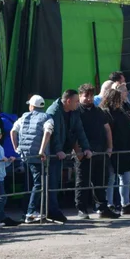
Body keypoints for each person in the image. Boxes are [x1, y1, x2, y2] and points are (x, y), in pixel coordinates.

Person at [42, 90, 88, 224]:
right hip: (53, 153)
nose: (78, 104)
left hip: (62, 151)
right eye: (76, 101)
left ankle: (52, 210)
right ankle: (51, 211)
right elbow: (53, 134)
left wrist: (86, 148)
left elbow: (80, 130)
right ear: (68, 101)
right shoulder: (54, 112)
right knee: (51, 182)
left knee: (54, 182)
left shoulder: (73, 112)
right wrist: (58, 150)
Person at [74, 84, 115, 220]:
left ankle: (102, 208)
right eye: (86, 96)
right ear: (80, 96)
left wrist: (110, 148)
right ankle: (82, 209)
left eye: (91, 96)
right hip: (83, 154)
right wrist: (78, 152)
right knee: (82, 183)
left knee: (101, 181)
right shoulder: (76, 112)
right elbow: (73, 133)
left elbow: (107, 129)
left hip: (100, 152)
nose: (89, 99)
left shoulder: (99, 112)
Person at [11, 95, 52, 223]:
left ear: (31, 106)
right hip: (37, 157)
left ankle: (26, 211)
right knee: (38, 184)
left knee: (28, 184)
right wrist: (42, 150)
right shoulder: (47, 117)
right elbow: (48, 132)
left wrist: (16, 148)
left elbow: (13, 131)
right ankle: (31, 212)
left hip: (24, 155)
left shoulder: (23, 117)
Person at [100, 88, 130, 215]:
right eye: (116, 99)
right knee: (111, 178)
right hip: (113, 150)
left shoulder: (121, 112)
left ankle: (125, 203)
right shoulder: (105, 113)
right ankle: (109, 204)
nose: (118, 102)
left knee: (125, 177)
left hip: (125, 149)